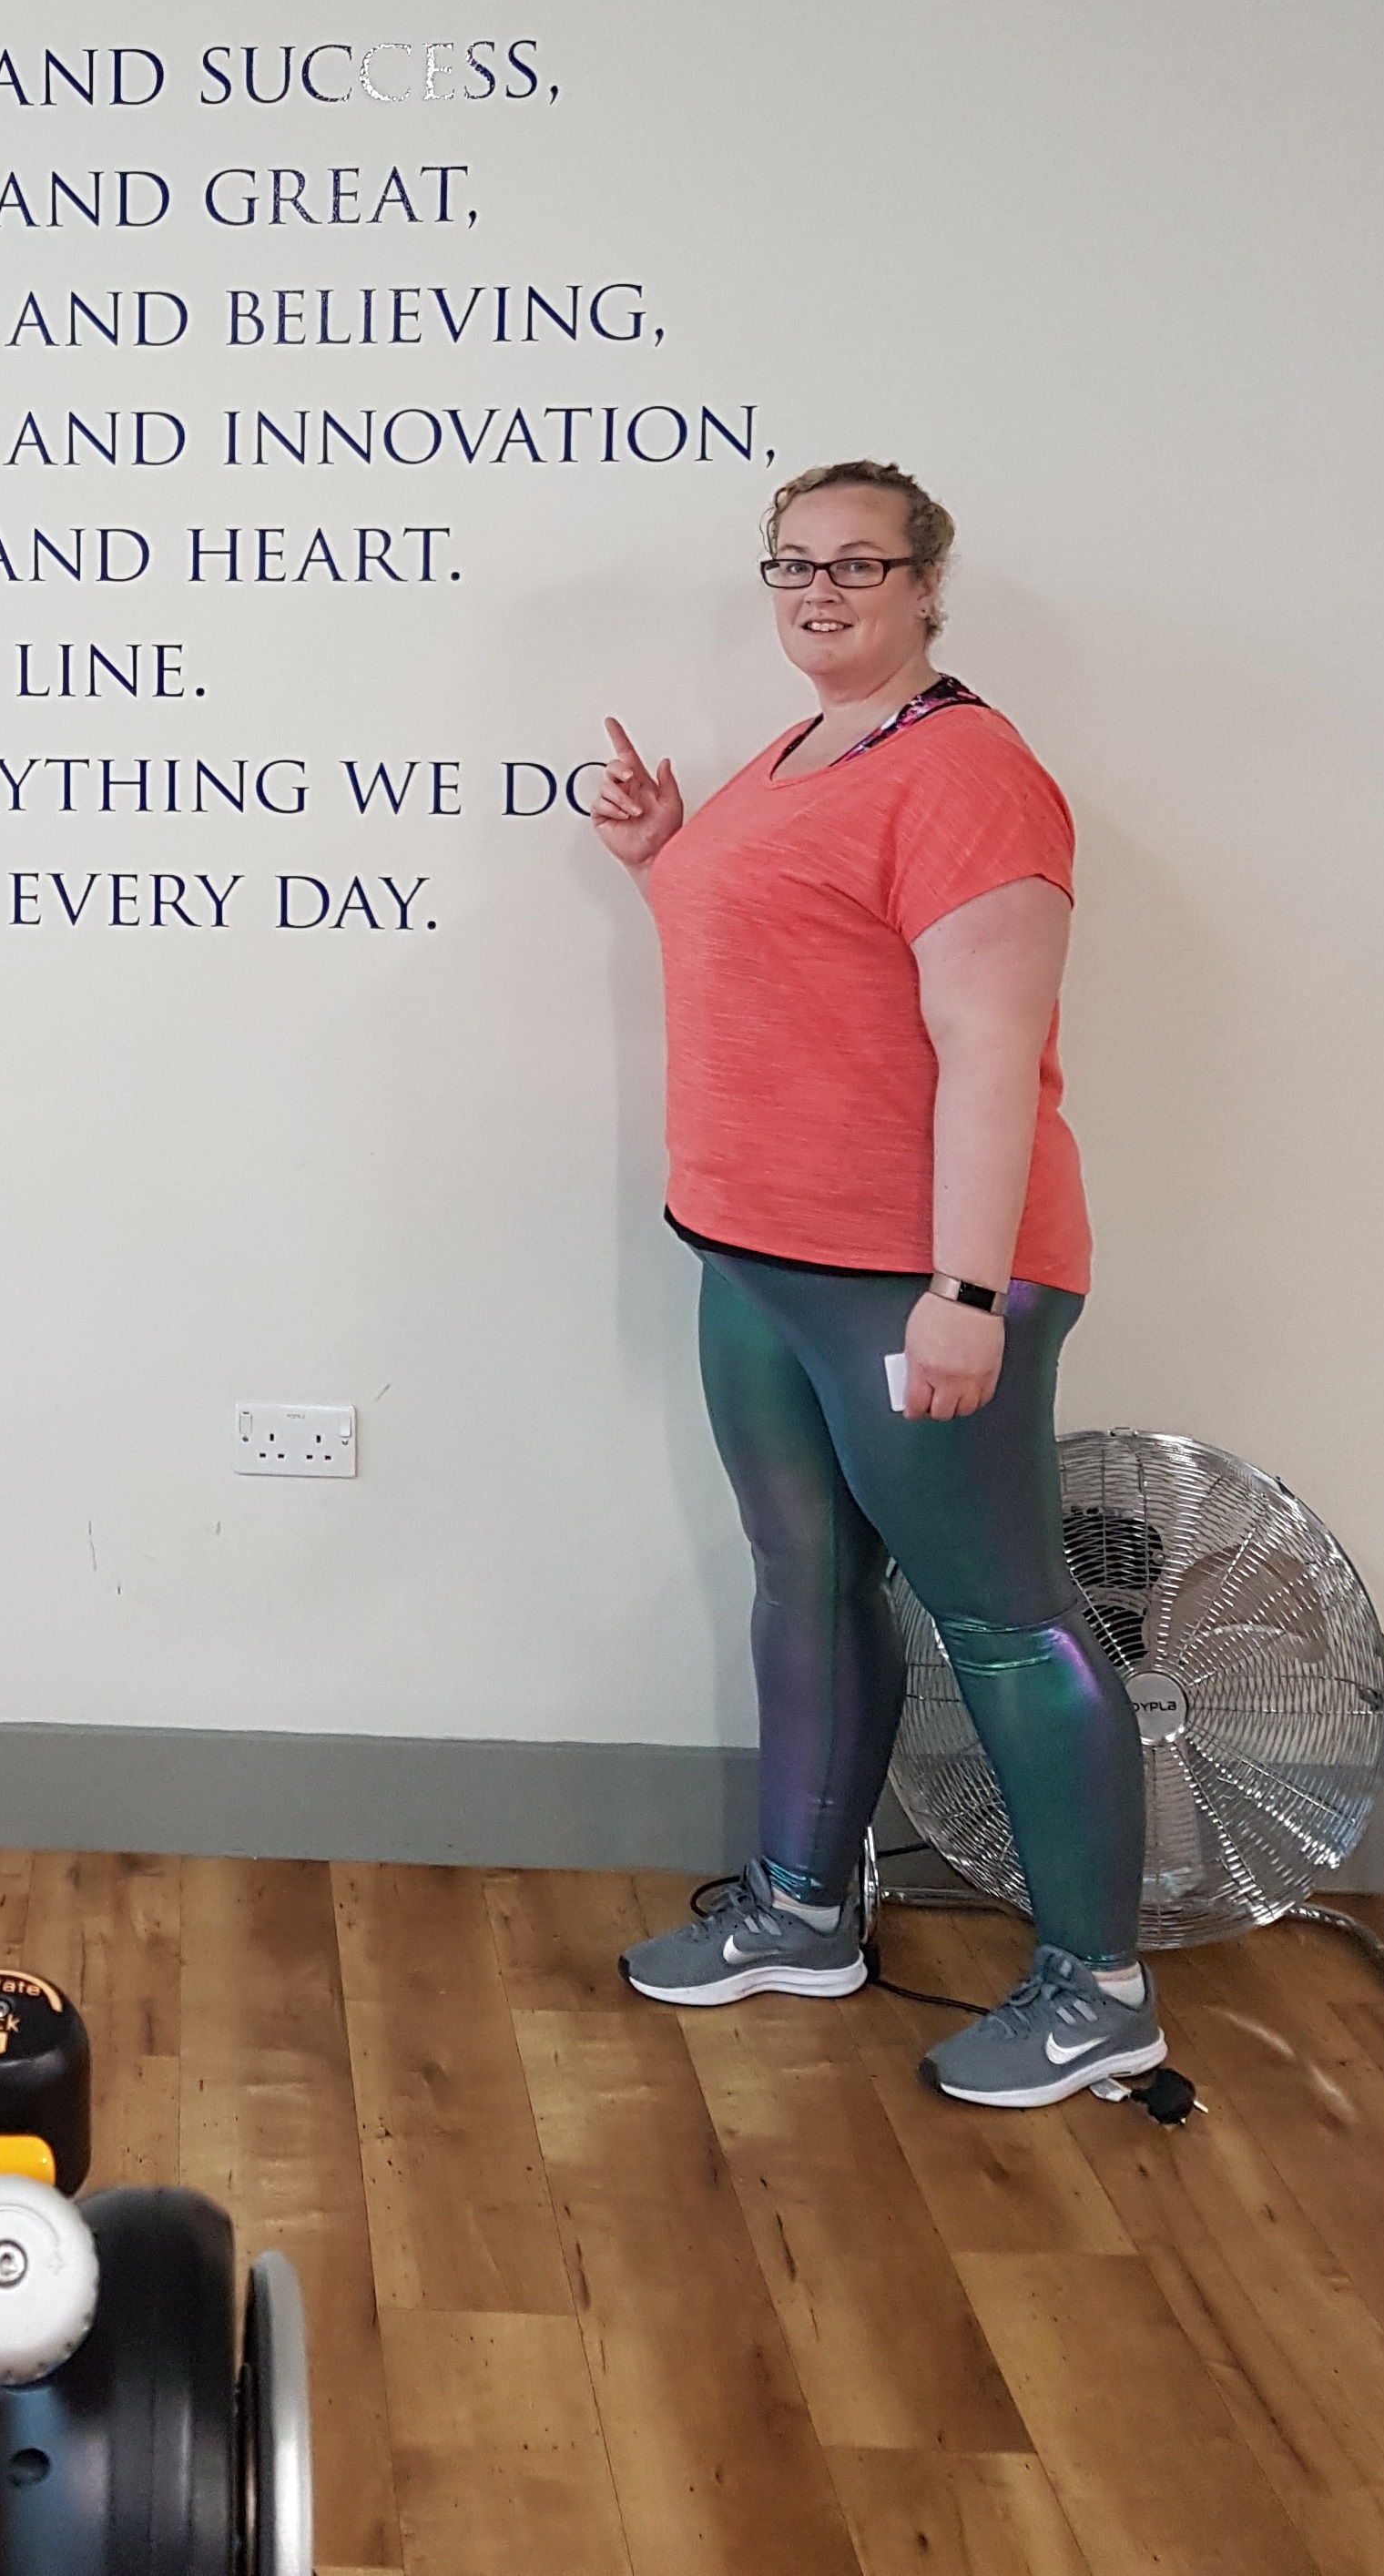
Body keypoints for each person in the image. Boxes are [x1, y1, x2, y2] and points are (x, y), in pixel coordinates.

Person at [590, 459, 1160, 2108]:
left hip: (909, 1279)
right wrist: (661, 858)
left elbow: (990, 1049)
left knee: (1003, 1615)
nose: (818, 589)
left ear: (925, 586)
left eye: (856, 563)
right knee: (803, 1581)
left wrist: (965, 1296)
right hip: (754, 1256)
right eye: (790, 565)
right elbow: (788, 950)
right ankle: (798, 1909)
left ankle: (1095, 1990)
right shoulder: (793, 755)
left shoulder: (969, 772)